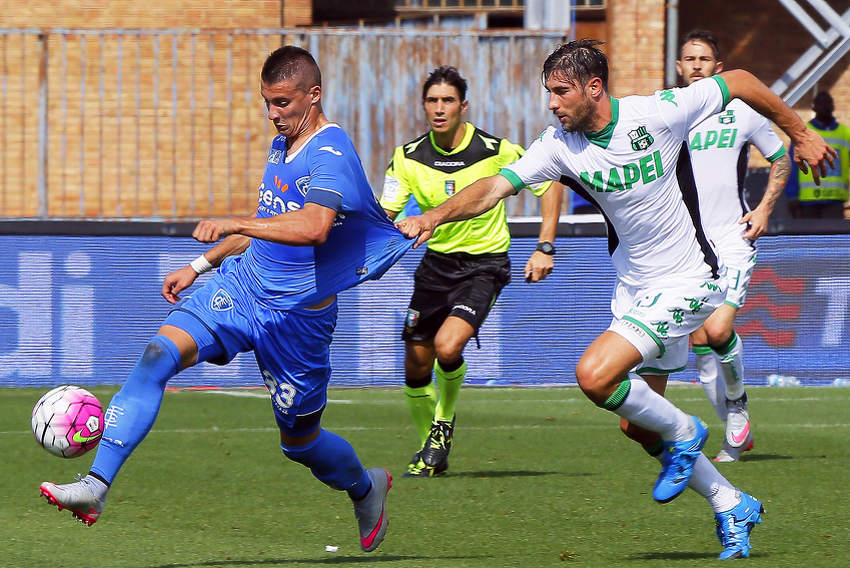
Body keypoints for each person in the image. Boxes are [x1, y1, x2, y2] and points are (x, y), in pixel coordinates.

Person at [397, 39, 835, 559]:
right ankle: (729, 500)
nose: (553, 104)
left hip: (690, 280)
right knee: (635, 425)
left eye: (561, 92)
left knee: (595, 375)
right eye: (549, 94)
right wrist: (430, 217)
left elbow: (737, 80)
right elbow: (494, 186)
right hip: (635, 289)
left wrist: (800, 133)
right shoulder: (559, 144)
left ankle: (690, 428)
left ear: (594, 87)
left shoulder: (658, 112)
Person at [39, 45, 415, 553]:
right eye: (266, 102)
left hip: (298, 320)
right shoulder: (281, 146)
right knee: (156, 357)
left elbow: (312, 227)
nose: (272, 114)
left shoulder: (332, 151)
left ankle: (366, 488)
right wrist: (199, 266)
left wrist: (236, 220)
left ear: (314, 94)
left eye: (282, 102)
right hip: (241, 288)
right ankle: (95, 487)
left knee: (300, 444)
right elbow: (270, 224)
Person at [380, 65, 564, 477]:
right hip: (435, 267)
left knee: (448, 347)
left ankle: (443, 424)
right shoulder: (407, 158)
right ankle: (431, 442)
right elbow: (387, 215)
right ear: (424, 106)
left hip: (484, 265)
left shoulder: (496, 150)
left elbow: (549, 184)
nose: (439, 108)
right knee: (415, 366)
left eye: (448, 100)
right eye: (432, 100)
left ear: (463, 105)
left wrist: (544, 246)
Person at [677, 29, 792, 463]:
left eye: (704, 59)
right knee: (700, 340)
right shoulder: (669, 115)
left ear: (718, 68)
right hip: (687, 247)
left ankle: (738, 405)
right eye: (689, 59)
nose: (696, 65)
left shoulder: (740, 110)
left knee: (720, 330)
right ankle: (734, 431)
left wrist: (764, 209)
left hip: (733, 237)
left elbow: (781, 156)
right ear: (679, 67)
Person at [786, 91, 850, 219]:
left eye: (827, 103)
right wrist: (792, 197)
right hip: (808, 202)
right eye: (821, 103)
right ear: (814, 108)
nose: (825, 107)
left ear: (833, 106)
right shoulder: (803, 133)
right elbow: (793, 165)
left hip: (835, 201)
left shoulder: (845, 133)